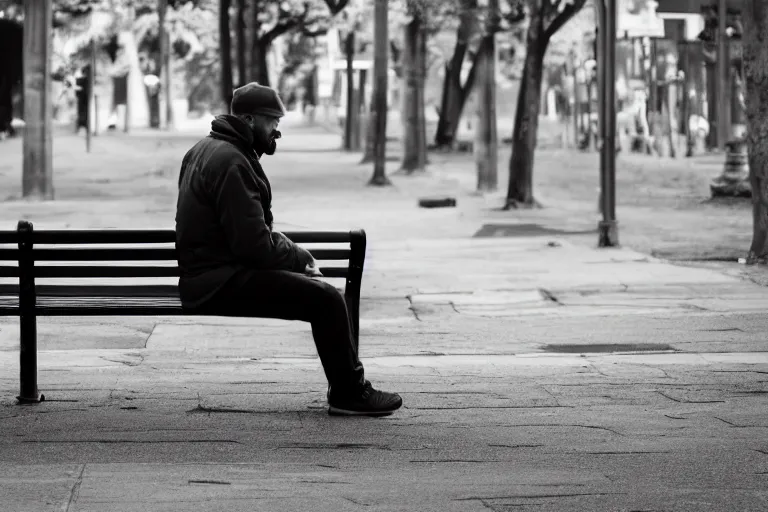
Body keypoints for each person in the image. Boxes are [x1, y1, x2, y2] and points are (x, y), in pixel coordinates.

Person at [175, 82, 403, 417]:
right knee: (325, 299)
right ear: (250, 119)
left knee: (321, 294)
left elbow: (247, 234)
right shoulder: (232, 162)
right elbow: (253, 246)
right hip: (218, 281)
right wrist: (298, 257)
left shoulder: (206, 150)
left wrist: (292, 254)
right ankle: (348, 393)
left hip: (209, 272)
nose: (276, 131)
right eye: (272, 122)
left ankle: (348, 390)